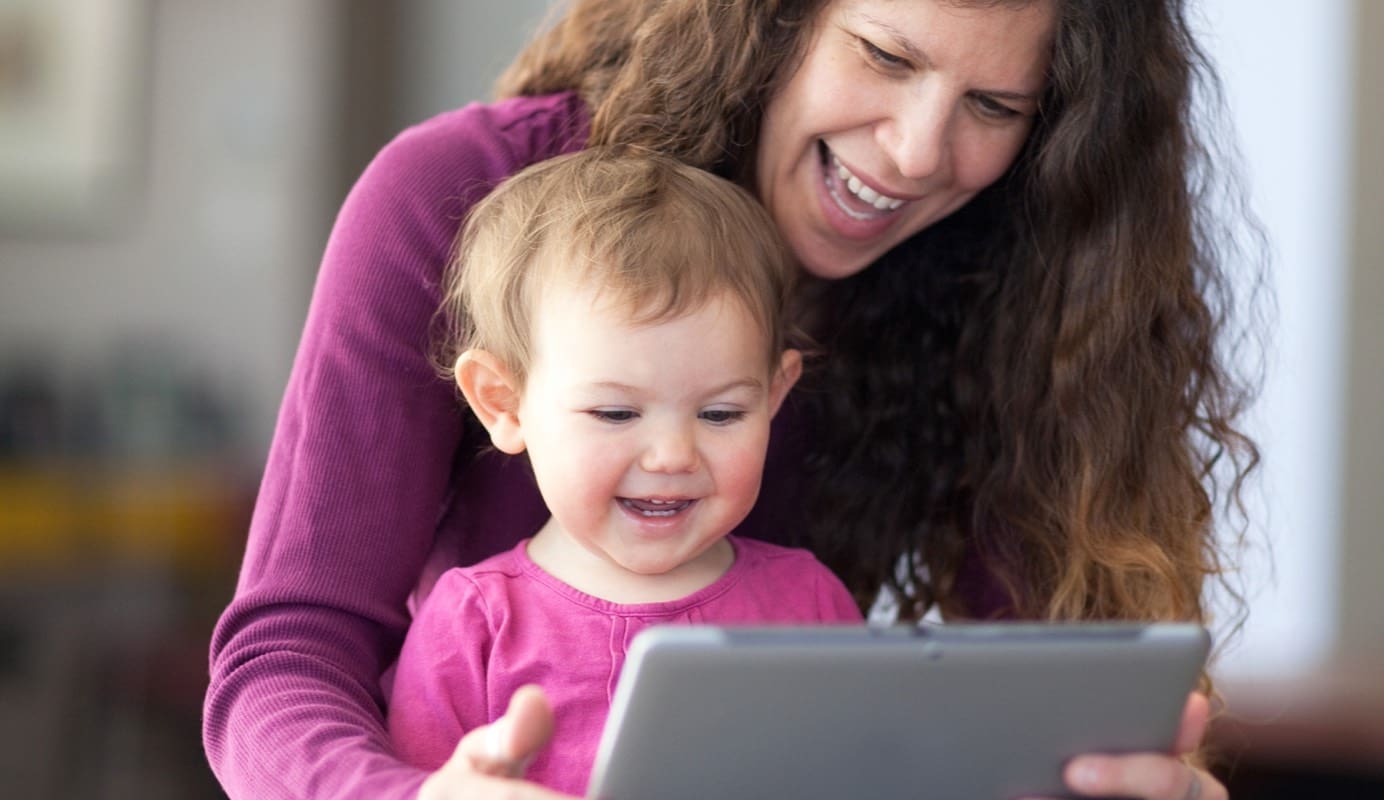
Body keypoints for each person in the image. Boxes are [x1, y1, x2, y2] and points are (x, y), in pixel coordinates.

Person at [205, 2, 1262, 799]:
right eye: (884, 56)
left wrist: (1116, 774)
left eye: (993, 106)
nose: (915, 152)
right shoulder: (452, 196)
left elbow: (1033, 701)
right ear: (771, 21)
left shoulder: (1000, 281)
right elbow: (284, 658)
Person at [385, 148, 863, 796]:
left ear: (774, 398)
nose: (672, 455)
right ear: (503, 402)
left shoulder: (812, 607)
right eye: (615, 412)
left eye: (721, 413)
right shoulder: (474, 625)